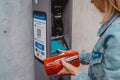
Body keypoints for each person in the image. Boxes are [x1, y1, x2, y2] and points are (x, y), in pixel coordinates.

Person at [57, 0, 120, 80]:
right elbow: (104, 59)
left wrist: (76, 72)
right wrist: (78, 56)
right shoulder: (114, 24)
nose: (91, 1)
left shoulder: (117, 32)